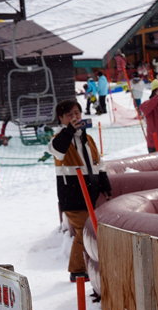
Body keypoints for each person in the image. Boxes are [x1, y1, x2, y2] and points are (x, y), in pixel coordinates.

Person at [48, 98, 112, 281]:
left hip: (90, 190)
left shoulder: (87, 138)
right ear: (61, 119)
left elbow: (98, 163)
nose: (75, 117)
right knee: (84, 231)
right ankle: (77, 270)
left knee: (86, 230)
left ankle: (82, 269)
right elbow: (57, 150)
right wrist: (69, 130)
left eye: (77, 113)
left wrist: (105, 185)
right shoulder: (59, 138)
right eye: (70, 115)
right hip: (72, 193)